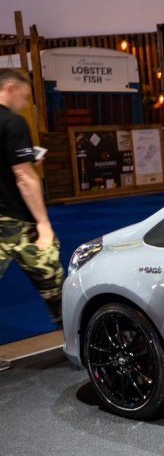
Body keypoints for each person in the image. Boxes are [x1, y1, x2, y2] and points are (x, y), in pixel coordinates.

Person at [0, 69, 64, 371]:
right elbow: (24, 177)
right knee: (55, 285)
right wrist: (44, 224)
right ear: (9, 88)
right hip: (14, 222)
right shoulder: (12, 123)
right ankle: (83, 344)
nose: (26, 104)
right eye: (24, 96)